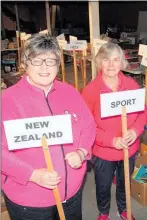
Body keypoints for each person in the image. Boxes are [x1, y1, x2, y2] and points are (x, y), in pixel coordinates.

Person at [1, 34, 96, 220]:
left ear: (58, 65)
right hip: (30, 201)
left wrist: (82, 152)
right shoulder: (7, 100)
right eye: (37, 61)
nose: (44, 68)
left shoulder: (70, 92)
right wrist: (32, 174)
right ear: (25, 64)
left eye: (51, 61)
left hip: (71, 194)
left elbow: (88, 126)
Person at [81, 42, 147, 220]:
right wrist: (110, 140)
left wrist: (135, 130)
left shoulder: (132, 85)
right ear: (99, 63)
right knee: (102, 184)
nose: (111, 65)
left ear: (122, 62)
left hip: (129, 148)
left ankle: (123, 208)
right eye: (106, 60)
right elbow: (87, 126)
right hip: (103, 151)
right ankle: (103, 212)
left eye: (115, 60)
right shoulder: (90, 91)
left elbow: (142, 112)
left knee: (125, 182)